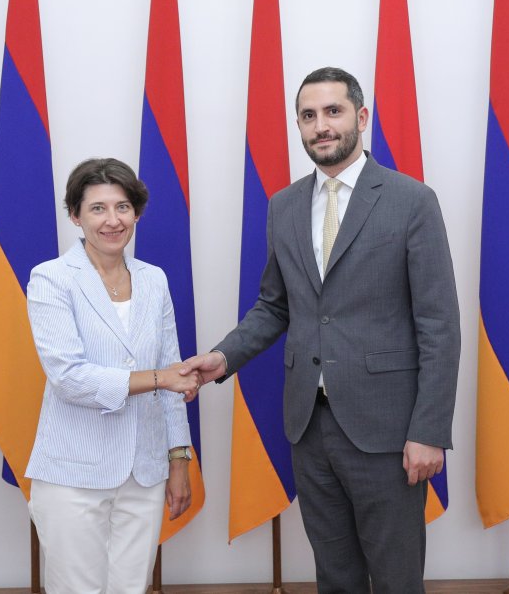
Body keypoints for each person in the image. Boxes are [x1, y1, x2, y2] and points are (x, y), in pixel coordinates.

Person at [183, 67, 460, 593]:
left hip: (387, 430)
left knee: (397, 580)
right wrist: (223, 358)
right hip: (309, 427)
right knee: (335, 577)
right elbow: (275, 306)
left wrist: (429, 431)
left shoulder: (411, 200)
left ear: (361, 117)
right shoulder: (284, 205)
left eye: (333, 111)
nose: (321, 126)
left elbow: (439, 325)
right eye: (308, 116)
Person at [25, 157, 201, 594]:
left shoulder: (154, 280)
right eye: (97, 208)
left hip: (145, 472)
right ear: (75, 215)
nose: (112, 220)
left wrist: (179, 461)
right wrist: (159, 378)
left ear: (136, 213)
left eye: (122, 207)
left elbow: (174, 374)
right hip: (73, 474)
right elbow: (70, 378)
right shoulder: (51, 279)